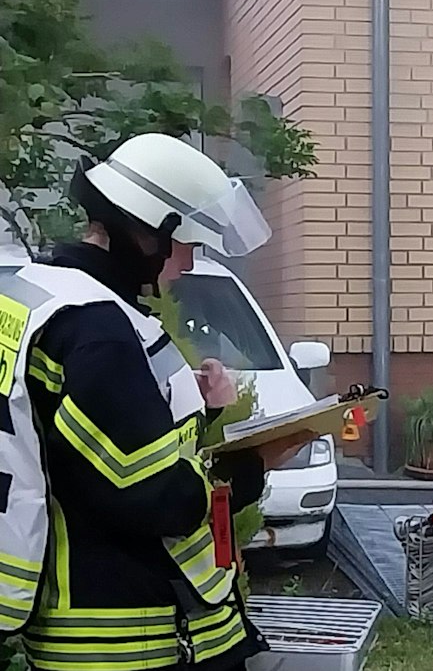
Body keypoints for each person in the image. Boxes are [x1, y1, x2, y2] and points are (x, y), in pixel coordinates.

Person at [0, 134, 311, 671]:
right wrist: (257, 461)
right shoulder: (98, 329)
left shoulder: (37, 296)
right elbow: (158, 498)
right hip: (127, 636)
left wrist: (199, 408)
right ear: (148, 235)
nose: (190, 263)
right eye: (188, 243)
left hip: (82, 620)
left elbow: (73, 445)